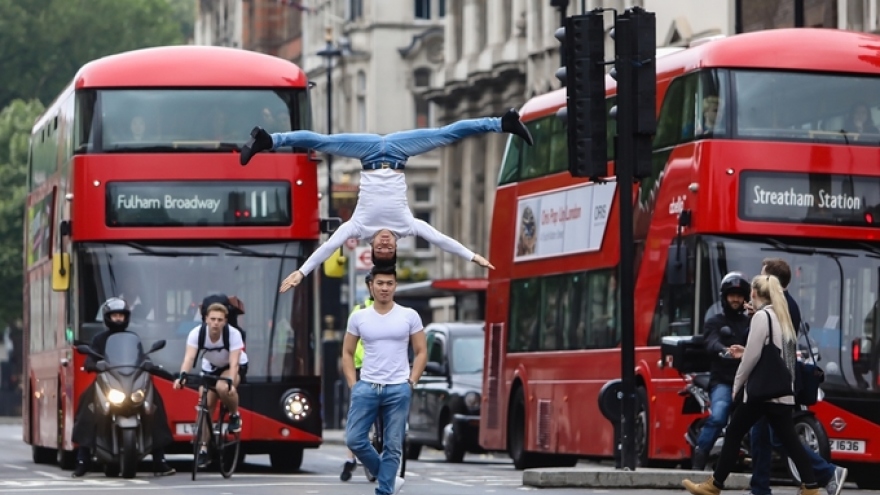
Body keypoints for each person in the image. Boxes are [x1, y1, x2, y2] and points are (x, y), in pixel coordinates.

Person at [241, 109, 533, 290]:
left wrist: (301, 273)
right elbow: (440, 239)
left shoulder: (359, 227)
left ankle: (269, 140)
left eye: (379, 248)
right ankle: (503, 123)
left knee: (323, 141)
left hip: (368, 154)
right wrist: (472, 256)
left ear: (372, 246)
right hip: (397, 152)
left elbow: (328, 247)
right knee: (446, 134)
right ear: (394, 246)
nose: (383, 243)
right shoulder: (406, 225)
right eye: (387, 248)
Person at [683, 275, 820, 495]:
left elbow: (752, 359)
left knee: (734, 433)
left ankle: (714, 485)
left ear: (754, 293)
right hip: (782, 392)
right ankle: (811, 488)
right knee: (791, 442)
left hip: (761, 393)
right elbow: (781, 355)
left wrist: (738, 386)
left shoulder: (761, 318)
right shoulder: (781, 316)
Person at [747, 258, 847, 495]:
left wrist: (758, 316)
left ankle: (826, 472)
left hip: (776, 381)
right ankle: (760, 488)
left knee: (778, 437)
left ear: (772, 280)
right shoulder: (781, 304)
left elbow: (777, 343)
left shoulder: (783, 306)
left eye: (763, 276)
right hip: (777, 380)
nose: (760, 280)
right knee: (762, 435)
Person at [342, 265, 428, 495]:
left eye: (389, 283)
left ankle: (384, 490)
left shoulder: (409, 315)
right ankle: (388, 478)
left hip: (398, 388)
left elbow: (421, 351)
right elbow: (347, 352)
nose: (384, 288)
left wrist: (411, 382)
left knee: (393, 445)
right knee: (354, 439)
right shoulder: (359, 317)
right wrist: (354, 384)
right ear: (371, 286)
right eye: (380, 283)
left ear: (395, 286)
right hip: (367, 387)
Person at [71, 298, 175, 477]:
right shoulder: (99, 339)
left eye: (121, 315)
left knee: (155, 404)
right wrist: (92, 364)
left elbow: (141, 357)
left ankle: (159, 460)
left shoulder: (133, 339)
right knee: (86, 404)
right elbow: (91, 358)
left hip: (131, 382)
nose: (118, 319)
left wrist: (148, 363)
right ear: (107, 317)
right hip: (108, 382)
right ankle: (83, 458)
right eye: (114, 315)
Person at [173, 302, 249, 468]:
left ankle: (235, 415)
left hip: (232, 366)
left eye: (220, 320)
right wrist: (182, 377)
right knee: (204, 404)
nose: (216, 323)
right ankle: (203, 448)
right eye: (213, 319)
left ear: (225, 321)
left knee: (223, 387)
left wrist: (231, 381)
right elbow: (189, 358)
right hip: (211, 368)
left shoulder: (233, 334)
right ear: (206, 319)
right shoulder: (196, 334)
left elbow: (234, 362)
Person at [691, 272, 751, 471]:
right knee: (718, 416)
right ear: (724, 296)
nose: (735, 299)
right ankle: (700, 456)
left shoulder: (751, 322)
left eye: (739, 295)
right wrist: (721, 350)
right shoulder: (714, 322)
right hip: (724, 381)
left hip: (748, 381)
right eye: (731, 295)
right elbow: (710, 341)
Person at [341, 273, 375, 482]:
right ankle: (350, 457)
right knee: (359, 414)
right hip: (362, 368)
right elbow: (349, 347)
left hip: (386, 370)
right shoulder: (359, 311)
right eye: (373, 284)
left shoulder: (398, 312)